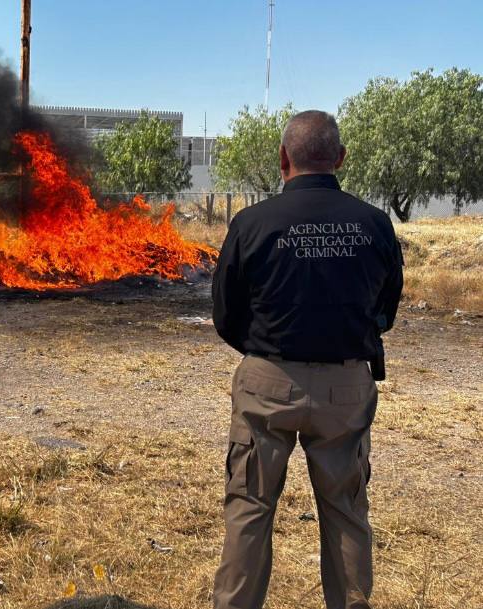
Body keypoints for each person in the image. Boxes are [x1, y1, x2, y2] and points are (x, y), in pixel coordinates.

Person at [211, 110, 403, 609]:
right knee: (345, 510)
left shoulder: (252, 223)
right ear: (339, 159)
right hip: (346, 389)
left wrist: (267, 353)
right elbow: (387, 307)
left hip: (266, 384)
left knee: (249, 509)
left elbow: (226, 312)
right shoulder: (374, 224)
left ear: (282, 159)